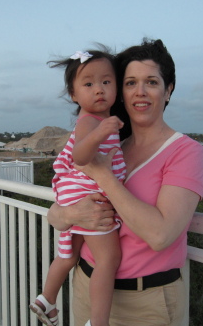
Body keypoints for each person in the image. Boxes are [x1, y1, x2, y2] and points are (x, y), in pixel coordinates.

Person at [48, 38, 203, 326]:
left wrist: (103, 175)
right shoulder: (110, 144)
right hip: (88, 286)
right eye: (131, 83)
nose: (140, 92)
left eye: (152, 82)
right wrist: (69, 213)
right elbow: (57, 212)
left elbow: (160, 235)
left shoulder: (186, 152)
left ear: (168, 89)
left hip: (146, 302)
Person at [29, 49, 126, 326]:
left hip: (74, 197)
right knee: (109, 258)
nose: (99, 90)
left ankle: (46, 300)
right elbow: (80, 157)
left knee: (67, 255)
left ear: (116, 87)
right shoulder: (90, 121)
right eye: (88, 84)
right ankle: (99, 322)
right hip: (87, 196)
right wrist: (101, 131)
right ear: (73, 94)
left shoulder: (97, 122)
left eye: (106, 82)